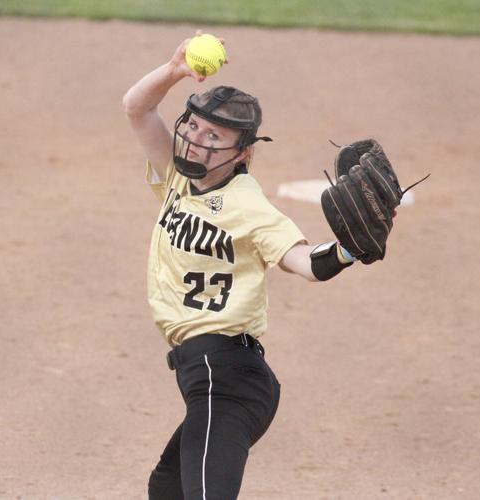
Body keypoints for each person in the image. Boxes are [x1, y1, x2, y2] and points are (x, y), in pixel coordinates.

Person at [122, 32, 356, 500]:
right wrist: (173, 70)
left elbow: (302, 261)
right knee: (167, 489)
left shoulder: (248, 205)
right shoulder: (175, 176)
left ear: (242, 153)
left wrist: (347, 251)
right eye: (194, 126)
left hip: (227, 377)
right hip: (208, 377)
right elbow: (137, 108)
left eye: (214, 136)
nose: (194, 141)